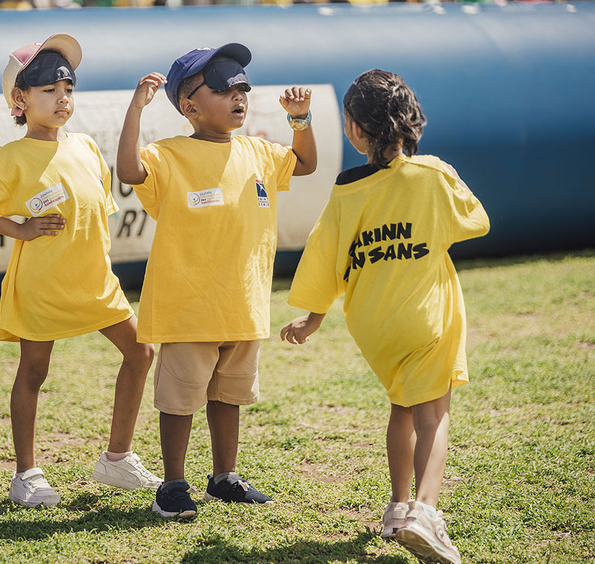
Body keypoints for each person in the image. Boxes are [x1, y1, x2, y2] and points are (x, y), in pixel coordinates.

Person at [280, 69, 490, 564]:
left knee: (402, 406)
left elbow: (324, 254)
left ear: (353, 129)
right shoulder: (432, 173)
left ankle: (397, 508)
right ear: (410, 121)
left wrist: (312, 319)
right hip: (423, 318)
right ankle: (426, 513)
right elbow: (477, 221)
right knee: (433, 413)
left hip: (373, 325)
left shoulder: (346, 189)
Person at [0, 34, 161, 508]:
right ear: (20, 100)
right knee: (34, 372)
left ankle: (117, 458)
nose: (62, 99)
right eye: (49, 90)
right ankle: (27, 474)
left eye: (69, 90)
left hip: (96, 283)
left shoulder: (85, 145)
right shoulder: (7, 156)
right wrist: (20, 230)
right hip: (42, 284)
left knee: (142, 351)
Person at [117, 44, 318, 518]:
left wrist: (300, 120)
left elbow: (304, 164)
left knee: (228, 396)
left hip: (243, 306)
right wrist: (135, 109)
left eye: (243, 86)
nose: (238, 95)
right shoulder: (168, 155)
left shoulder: (260, 152)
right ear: (189, 106)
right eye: (225, 87)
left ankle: (224, 478)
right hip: (188, 307)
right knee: (181, 400)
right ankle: (173, 486)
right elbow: (128, 171)